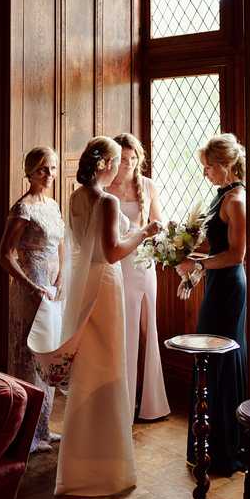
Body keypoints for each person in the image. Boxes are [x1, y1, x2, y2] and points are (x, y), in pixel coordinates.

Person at [30, 136, 160, 496]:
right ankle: (106, 467)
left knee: (90, 369)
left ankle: (80, 462)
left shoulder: (75, 197)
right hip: (104, 285)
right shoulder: (105, 200)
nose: (120, 167)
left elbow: (82, 245)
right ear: (106, 165)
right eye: (117, 161)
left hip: (84, 283)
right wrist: (144, 232)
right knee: (108, 367)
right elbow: (113, 252)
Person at [176, 133, 247, 475]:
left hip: (230, 287)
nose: (206, 173)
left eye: (209, 167)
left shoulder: (237, 201)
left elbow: (236, 255)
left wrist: (200, 265)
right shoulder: (221, 196)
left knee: (220, 358)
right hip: (216, 283)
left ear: (226, 165)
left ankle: (224, 450)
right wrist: (191, 270)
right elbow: (210, 249)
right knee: (208, 357)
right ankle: (208, 444)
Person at [0, 146, 65, 453]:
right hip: (31, 288)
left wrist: (60, 279)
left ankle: (44, 428)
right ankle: (25, 434)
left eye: (51, 169)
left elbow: (60, 247)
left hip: (52, 288)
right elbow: (4, 255)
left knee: (48, 355)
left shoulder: (51, 205)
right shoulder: (22, 208)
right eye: (42, 170)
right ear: (29, 173)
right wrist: (30, 286)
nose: (49, 175)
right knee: (29, 357)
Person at [110, 133, 170, 421]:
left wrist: (162, 237)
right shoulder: (105, 187)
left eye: (133, 159)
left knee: (148, 329)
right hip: (116, 264)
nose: (129, 164)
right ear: (112, 159)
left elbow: (157, 223)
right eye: (123, 159)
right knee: (122, 331)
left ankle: (151, 402)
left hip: (143, 265)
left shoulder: (147, 185)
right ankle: (122, 400)